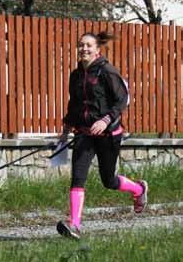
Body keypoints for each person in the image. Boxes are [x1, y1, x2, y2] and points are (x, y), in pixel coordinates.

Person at [56, 32, 148, 240]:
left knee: (109, 180)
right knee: (77, 177)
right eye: (81, 45)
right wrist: (65, 131)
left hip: (108, 134)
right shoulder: (76, 75)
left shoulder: (107, 71)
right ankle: (75, 226)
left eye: (88, 45)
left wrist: (105, 120)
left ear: (97, 49)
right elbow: (74, 105)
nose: (84, 49)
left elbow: (122, 99)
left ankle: (139, 189)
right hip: (84, 135)